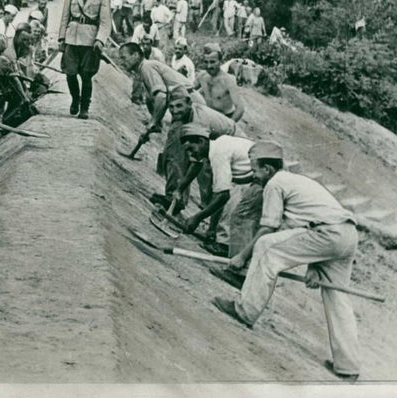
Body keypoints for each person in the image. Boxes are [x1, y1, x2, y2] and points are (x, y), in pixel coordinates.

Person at [213, 141, 361, 381]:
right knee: (337, 297)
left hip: (326, 234)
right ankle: (348, 365)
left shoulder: (275, 184)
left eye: (256, 169)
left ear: (268, 170)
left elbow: (269, 227)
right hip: (346, 235)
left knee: (266, 247)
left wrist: (241, 256)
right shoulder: (297, 181)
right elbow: (310, 222)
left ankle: (245, 310)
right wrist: (315, 268)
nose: (254, 175)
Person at [176, 124, 258, 257]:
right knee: (227, 195)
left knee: (234, 207)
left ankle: (224, 246)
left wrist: (197, 218)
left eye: (191, 149)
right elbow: (219, 191)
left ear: (202, 141)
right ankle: (220, 238)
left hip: (258, 178)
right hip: (251, 175)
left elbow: (223, 196)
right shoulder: (217, 144)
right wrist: (212, 229)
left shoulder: (218, 153)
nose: (191, 154)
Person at [150, 91, 238, 213]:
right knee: (174, 153)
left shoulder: (199, 121)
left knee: (206, 170)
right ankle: (173, 199)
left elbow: (197, 160)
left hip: (226, 136)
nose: (174, 111)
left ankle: (207, 209)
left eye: (179, 106)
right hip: (205, 131)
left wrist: (181, 187)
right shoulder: (182, 115)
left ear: (189, 104)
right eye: (171, 107)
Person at [58, 0, 111, 119]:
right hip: (72, 39)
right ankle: (75, 98)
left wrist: (100, 40)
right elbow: (64, 17)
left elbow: (105, 22)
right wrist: (61, 38)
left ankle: (84, 107)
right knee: (70, 73)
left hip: (90, 41)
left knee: (86, 75)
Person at [118, 42, 205, 131]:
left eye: (124, 58)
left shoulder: (146, 67)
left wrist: (153, 121)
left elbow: (161, 97)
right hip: (186, 104)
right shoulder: (143, 69)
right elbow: (154, 99)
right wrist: (156, 122)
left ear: (135, 55)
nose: (121, 62)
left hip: (193, 104)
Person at [194, 50, 245, 121]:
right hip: (207, 114)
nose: (209, 66)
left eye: (212, 62)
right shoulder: (202, 76)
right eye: (206, 62)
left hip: (224, 117)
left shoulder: (228, 80)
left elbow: (240, 108)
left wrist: (229, 125)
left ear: (220, 62)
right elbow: (187, 91)